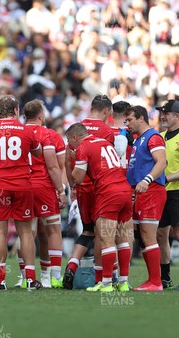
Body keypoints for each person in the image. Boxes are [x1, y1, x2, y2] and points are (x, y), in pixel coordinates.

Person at [0, 95, 42, 290]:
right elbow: (38, 153)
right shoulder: (26, 130)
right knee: (26, 233)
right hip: (22, 185)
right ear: (16, 111)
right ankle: (30, 278)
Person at [66, 123, 133, 293]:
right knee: (123, 239)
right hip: (125, 190)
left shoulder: (82, 147)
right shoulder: (104, 142)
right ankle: (123, 282)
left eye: (69, 141)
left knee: (106, 239)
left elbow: (78, 178)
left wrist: (75, 160)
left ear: (75, 137)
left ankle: (106, 283)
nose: (70, 146)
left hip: (108, 192)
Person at [63, 95, 115, 289]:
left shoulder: (78, 128)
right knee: (103, 233)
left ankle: (71, 267)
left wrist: (73, 187)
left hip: (81, 186)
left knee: (86, 231)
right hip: (100, 188)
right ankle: (101, 278)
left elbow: (68, 161)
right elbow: (110, 161)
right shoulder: (107, 131)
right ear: (106, 111)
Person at [24, 100, 68, 288]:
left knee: (26, 233)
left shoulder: (16, 133)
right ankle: (55, 277)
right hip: (44, 187)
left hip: (22, 186)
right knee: (53, 230)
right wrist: (61, 190)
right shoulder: (50, 135)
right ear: (41, 116)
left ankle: (26, 277)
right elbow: (57, 167)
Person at [125, 105, 167, 291]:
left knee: (148, 235)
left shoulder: (153, 137)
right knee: (142, 237)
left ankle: (156, 282)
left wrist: (147, 179)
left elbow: (162, 162)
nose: (127, 124)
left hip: (152, 191)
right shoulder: (138, 140)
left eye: (130, 120)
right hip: (140, 192)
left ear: (141, 118)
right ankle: (153, 280)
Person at [156, 100, 179, 290]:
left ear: (177, 116)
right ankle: (165, 278)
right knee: (160, 235)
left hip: (177, 192)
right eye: (162, 113)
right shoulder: (160, 137)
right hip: (162, 192)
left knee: (177, 233)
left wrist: (166, 178)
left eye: (167, 113)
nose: (163, 116)